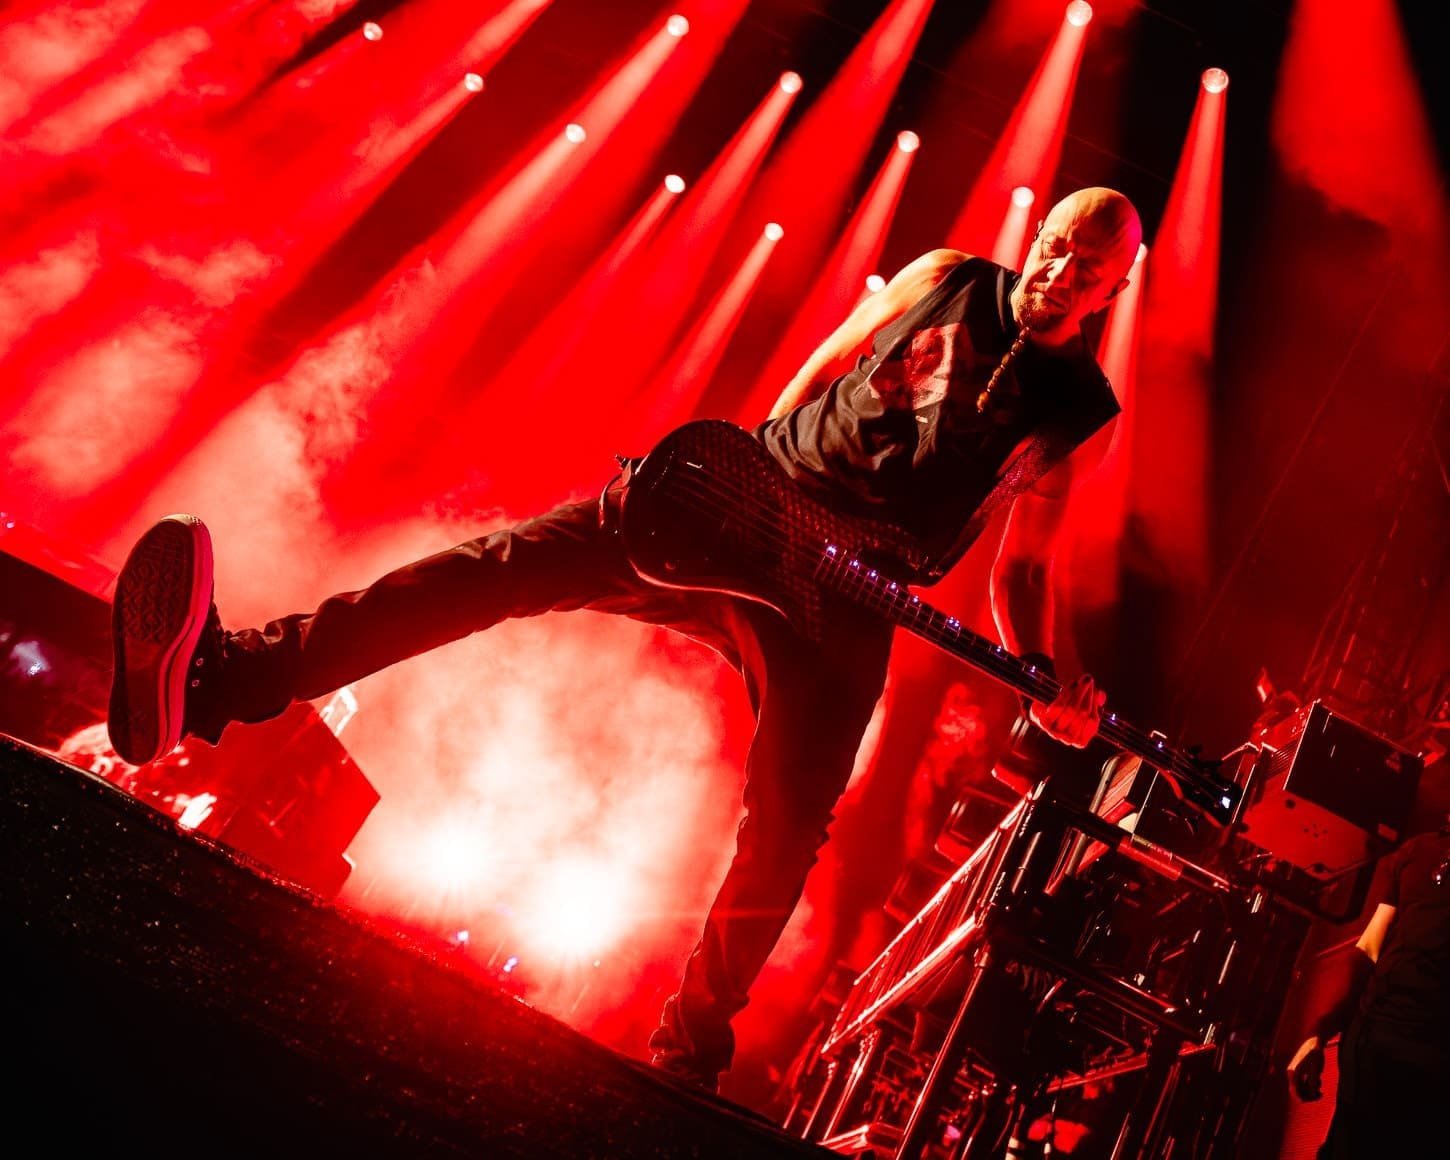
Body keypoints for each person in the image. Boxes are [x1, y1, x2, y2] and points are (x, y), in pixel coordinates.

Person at [107, 185, 1143, 1094]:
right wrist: (730, 474)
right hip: (738, 503)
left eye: (1089, 267)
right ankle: (221, 677)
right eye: (1056, 241)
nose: (1060, 269)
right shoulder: (947, 272)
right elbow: (824, 367)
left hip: (846, 594)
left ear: (1111, 288)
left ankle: (687, 1054)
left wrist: (1045, 675)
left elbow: (1022, 554)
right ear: (1039, 228)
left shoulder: (1076, 404)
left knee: (788, 826)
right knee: (493, 569)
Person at [1285, 820, 1450, 1157]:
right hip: (1372, 1038)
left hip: (1435, 1056)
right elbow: (1369, 947)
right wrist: (1319, 1031)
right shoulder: (1417, 849)